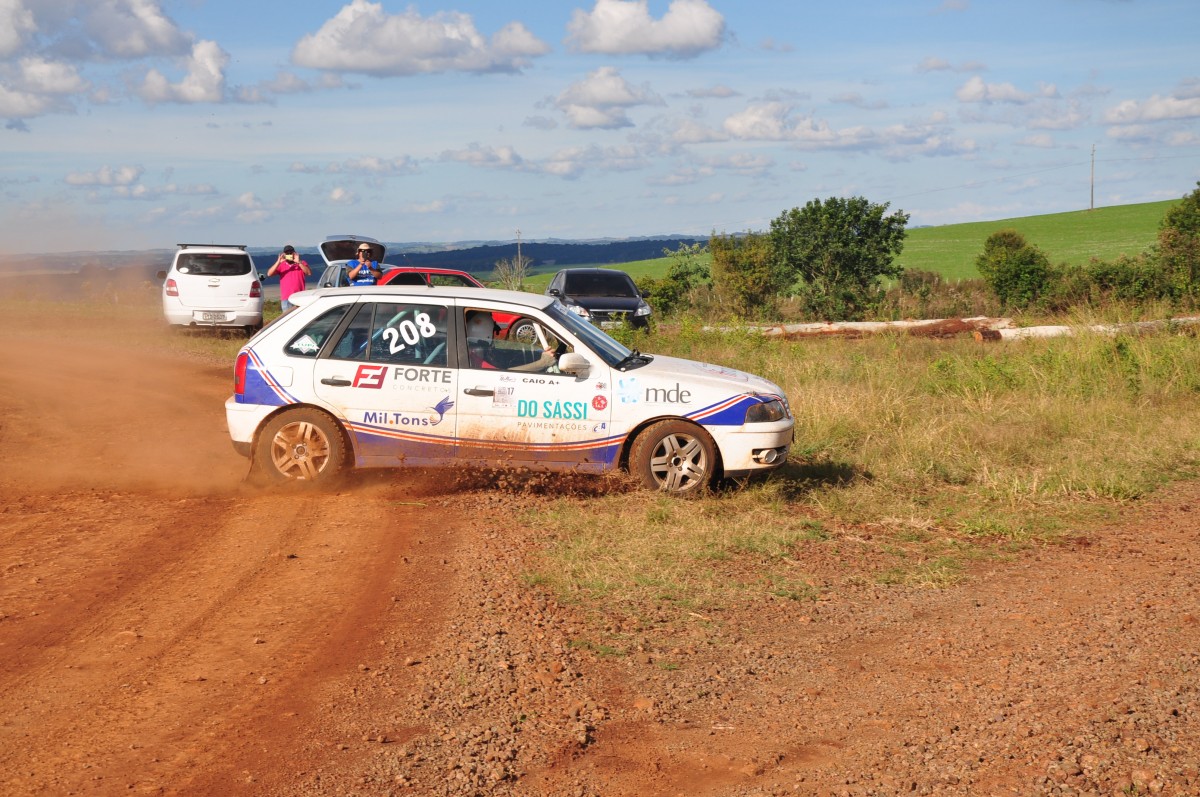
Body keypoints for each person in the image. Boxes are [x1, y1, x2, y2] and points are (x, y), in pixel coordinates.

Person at [465, 310, 557, 373]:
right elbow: (504, 375)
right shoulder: (474, 355)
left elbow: (507, 355)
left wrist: (539, 355)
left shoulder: (481, 350)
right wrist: (543, 362)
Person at [267, 244, 311, 312]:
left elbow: (308, 273)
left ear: (295, 253)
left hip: (300, 297)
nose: (289, 255)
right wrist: (278, 262)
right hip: (286, 298)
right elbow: (269, 274)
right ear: (284, 254)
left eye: (291, 253)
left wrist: (298, 262)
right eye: (287, 253)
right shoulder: (281, 265)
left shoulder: (302, 263)